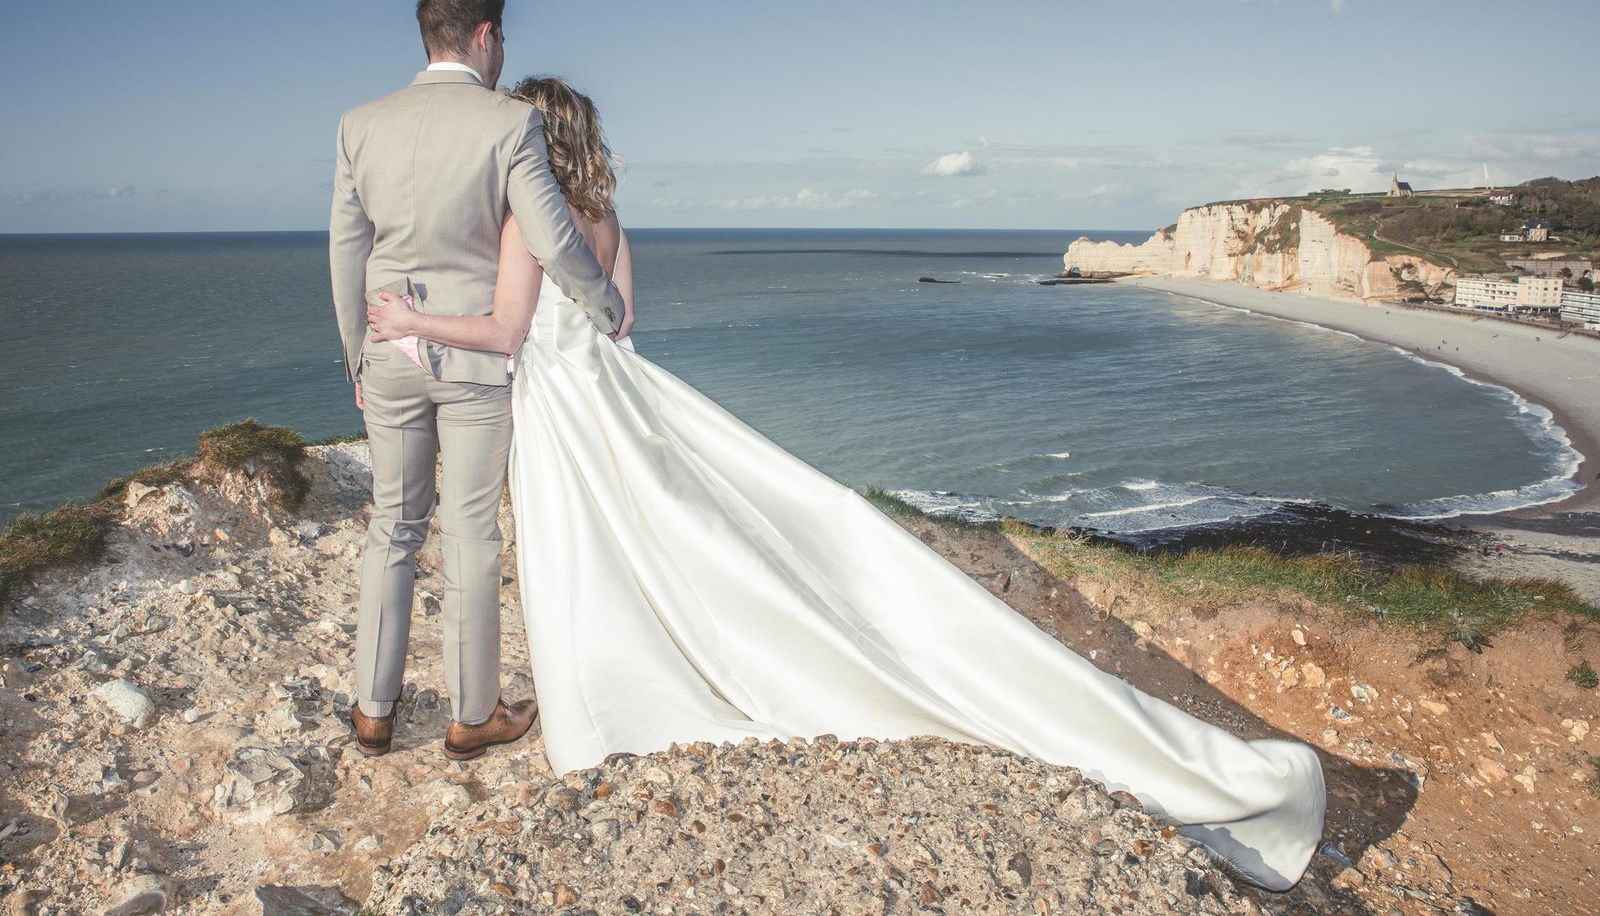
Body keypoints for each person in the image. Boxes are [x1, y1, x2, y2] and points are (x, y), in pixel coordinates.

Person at [367, 80, 1327, 891]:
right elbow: (622, 326)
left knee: (591, 558)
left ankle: (617, 687)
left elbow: (502, 331)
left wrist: (413, 318)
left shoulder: (522, 222)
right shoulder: (607, 215)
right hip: (616, 394)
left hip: (562, 411)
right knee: (669, 536)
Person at [329, 0, 628, 763]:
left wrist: (355, 348)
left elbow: (345, 250)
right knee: (468, 533)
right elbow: (555, 240)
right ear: (487, 35)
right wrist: (604, 307)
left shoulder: (360, 123)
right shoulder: (509, 122)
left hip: (388, 349)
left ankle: (372, 709)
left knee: (391, 524)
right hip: (472, 359)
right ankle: (470, 715)